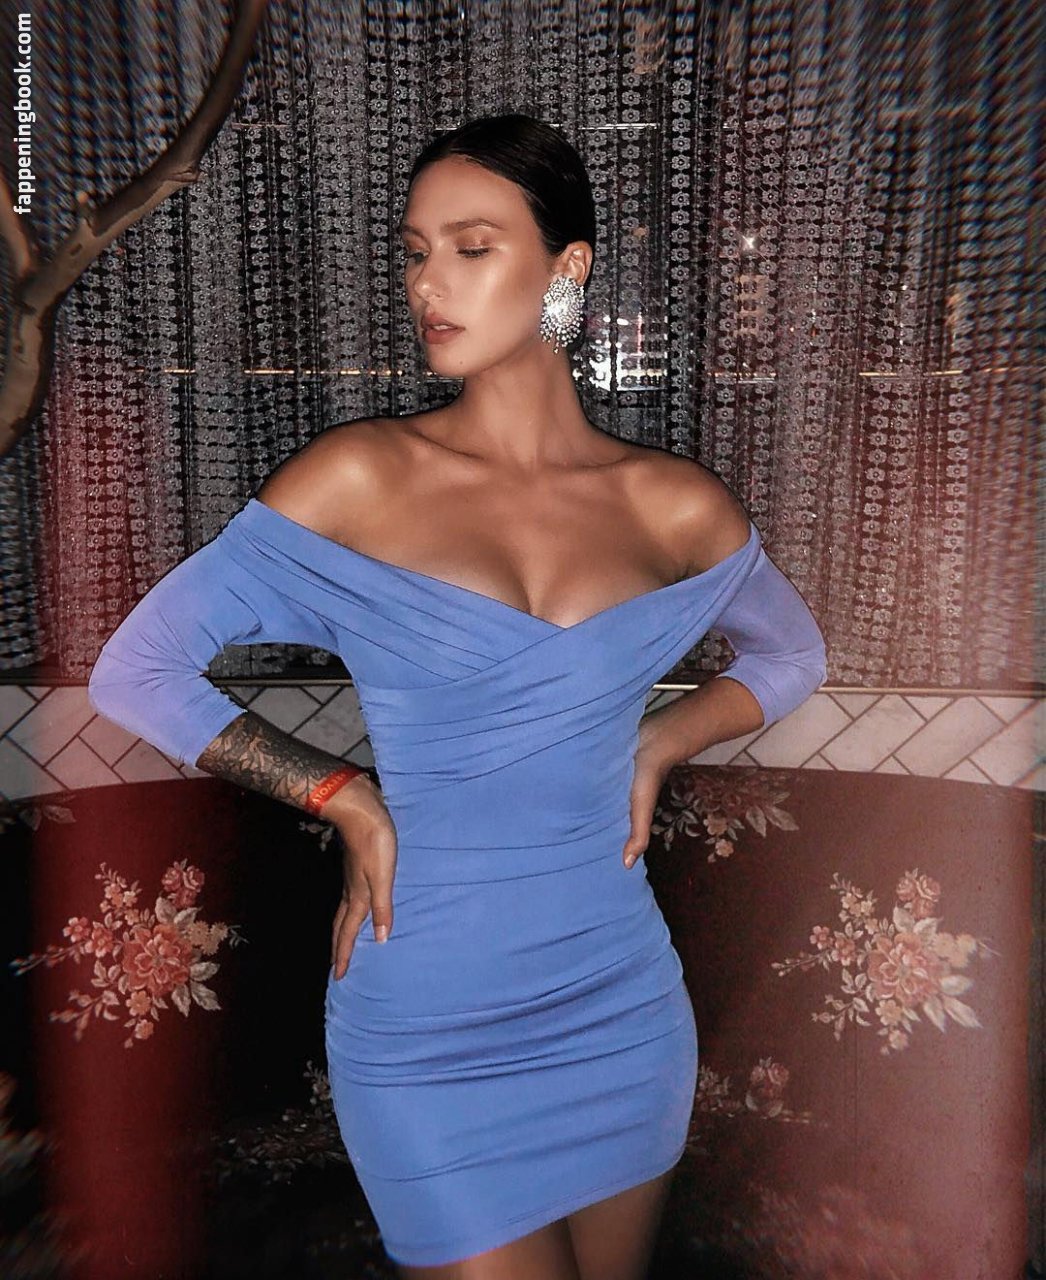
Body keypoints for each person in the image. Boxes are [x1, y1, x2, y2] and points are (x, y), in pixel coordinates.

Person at [87, 113, 827, 1280]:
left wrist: (659, 740)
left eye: (470, 247)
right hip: (424, 1017)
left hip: (617, 1001)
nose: (428, 283)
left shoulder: (673, 505)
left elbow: (790, 656)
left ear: (565, 267)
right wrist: (341, 794)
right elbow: (135, 668)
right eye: (414, 251)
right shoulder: (360, 478)